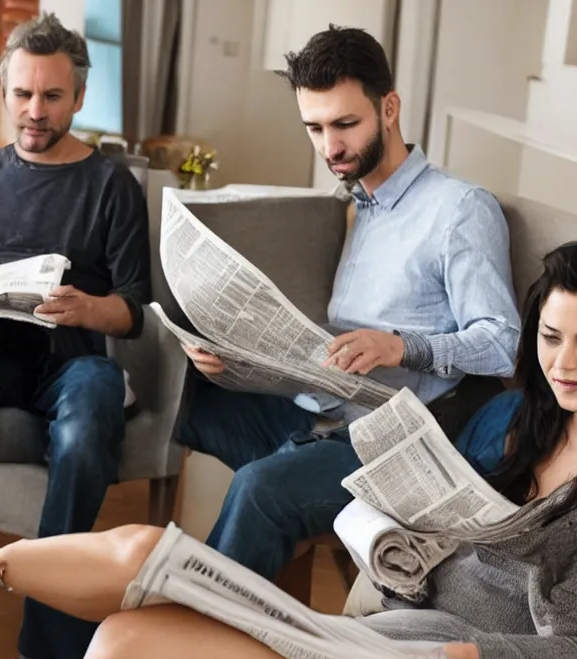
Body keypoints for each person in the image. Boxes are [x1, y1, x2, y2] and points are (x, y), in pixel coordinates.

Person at [0, 241, 577, 659]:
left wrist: (460, 658)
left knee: (131, 628)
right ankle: (81, 569)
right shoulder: (523, 422)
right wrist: (402, 539)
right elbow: (456, 539)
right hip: (402, 632)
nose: (563, 363)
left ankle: (39, 568)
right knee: (126, 617)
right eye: (551, 338)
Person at [173, 25, 521, 583]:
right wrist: (237, 360)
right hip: (319, 412)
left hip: (386, 444)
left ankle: (195, 629)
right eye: (314, 127)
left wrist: (402, 347)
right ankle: (260, 565)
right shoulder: (353, 203)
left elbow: (503, 344)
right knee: (185, 398)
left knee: (259, 491)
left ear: (389, 108)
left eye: (344, 124)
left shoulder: (459, 210)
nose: (329, 147)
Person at [0, 13, 150, 659]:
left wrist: (87, 308)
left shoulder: (111, 185)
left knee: (90, 420)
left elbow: (133, 308)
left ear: (79, 98)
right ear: (5, 91)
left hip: (68, 362)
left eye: (52, 96)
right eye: (24, 94)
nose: (35, 111)